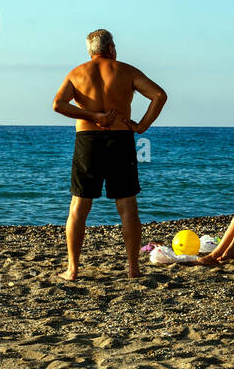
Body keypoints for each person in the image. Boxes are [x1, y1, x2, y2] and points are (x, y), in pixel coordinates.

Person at [52, 29, 167, 279]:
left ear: (90, 51)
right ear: (112, 48)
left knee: (78, 207)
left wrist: (93, 116)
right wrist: (141, 126)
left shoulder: (77, 73)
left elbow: (58, 105)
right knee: (127, 207)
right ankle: (133, 269)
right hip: (120, 139)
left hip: (87, 140)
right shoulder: (126, 71)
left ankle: (72, 269)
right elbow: (159, 95)